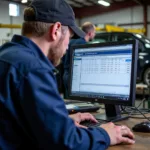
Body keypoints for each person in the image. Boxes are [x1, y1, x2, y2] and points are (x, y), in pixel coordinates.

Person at [0, 0, 135, 149]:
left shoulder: (6, 54)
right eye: (69, 38)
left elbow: (17, 118)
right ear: (56, 30)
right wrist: (106, 134)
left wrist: (61, 120)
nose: (67, 46)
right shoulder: (33, 68)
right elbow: (66, 142)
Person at [62, 22, 96, 98]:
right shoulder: (83, 44)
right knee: (79, 102)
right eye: (94, 32)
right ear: (90, 33)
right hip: (76, 77)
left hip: (66, 75)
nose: (95, 34)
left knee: (69, 103)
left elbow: (63, 59)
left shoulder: (71, 41)